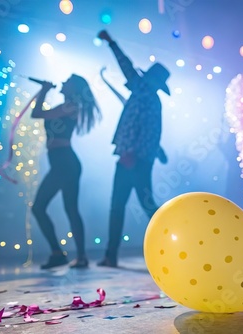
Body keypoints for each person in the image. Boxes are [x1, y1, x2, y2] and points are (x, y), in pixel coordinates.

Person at [97, 30, 170, 268]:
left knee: (130, 205)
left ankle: (171, 242)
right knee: (140, 205)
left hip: (133, 159)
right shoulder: (148, 97)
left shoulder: (144, 94)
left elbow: (126, 66)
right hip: (137, 158)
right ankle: (112, 255)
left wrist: (112, 42)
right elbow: (150, 131)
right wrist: (154, 151)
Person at [31, 74, 101, 269]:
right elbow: (39, 113)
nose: (63, 81)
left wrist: (44, 90)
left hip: (65, 162)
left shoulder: (70, 106)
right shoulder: (68, 106)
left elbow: (36, 113)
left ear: (74, 88)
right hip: (62, 162)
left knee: (45, 208)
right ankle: (65, 254)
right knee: (64, 209)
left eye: (68, 81)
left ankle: (70, 255)